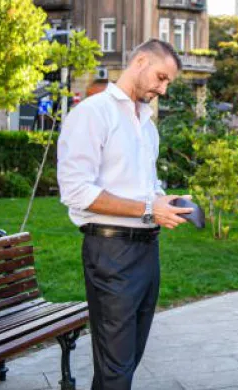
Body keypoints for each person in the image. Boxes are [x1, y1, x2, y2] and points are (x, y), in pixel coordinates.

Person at [57, 39, 194, 390]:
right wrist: (149, 208)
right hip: (111, 255)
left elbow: (142, 184)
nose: (163, 89)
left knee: (126, 361)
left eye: (168, 83)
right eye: (161, 77)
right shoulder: (92, 113)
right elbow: (75, 192)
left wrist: (164, 199)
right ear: (140, 61)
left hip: (148, 251)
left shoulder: (147, 124)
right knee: (117, 367)